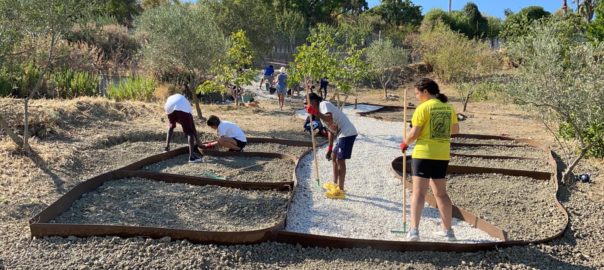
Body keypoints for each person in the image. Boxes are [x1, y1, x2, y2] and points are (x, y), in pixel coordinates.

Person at [400, 78, 460, 242]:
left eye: (418, 93)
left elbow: (414, 133)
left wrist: (404, 143)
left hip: (424, 154)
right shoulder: (449, 108)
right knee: (441, 194)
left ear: (425, 91)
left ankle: (414, 231)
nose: (417, 96)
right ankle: (448, 232)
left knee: (419, 193)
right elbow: (455, 130)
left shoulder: (423, 108)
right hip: (442, 155)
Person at [306, 93, 358, 199]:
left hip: (347, 132)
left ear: (314, 101)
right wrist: (329, 148)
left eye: (306, 103)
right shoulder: (320, 114)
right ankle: (335, 184)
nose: (305, 106)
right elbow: (331, 131)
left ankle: (341, 189)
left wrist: (315, 112)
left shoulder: (323, 104)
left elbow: (328, 118)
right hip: (341, 135)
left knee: (340, 160)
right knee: (334, 156)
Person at [164, 93, 204, 163]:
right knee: (190, 132)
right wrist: (197, 139)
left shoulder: (174, 97)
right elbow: (192, 127)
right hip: (179, 106)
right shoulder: (187, 106)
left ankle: (166, 148)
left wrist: (184, 124)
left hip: (168, 107)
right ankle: (192, 157)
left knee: (171, 126)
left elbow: (179, 119)